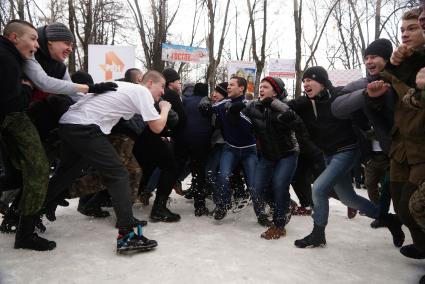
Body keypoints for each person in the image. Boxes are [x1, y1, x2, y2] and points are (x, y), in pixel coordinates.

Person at [43, 70, 170, 253]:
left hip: (70, 124)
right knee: (119, 174)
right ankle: (126, 236)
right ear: (149, 83)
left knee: (65, 176)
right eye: (162, 86)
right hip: (84, 127)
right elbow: (157, 127)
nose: (163, 92)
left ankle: (23, 221)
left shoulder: (127, 88)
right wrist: (165, 109)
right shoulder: (142, 91)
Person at [288, 66, 403, 249]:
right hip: (329, 153)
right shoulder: (305, 103)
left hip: (348, 149)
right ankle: (389, 219)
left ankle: (318, 234)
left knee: (318, 188)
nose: (306, 84)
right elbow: (286, 107)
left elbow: (362, 112)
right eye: (304, 81)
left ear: (323, 82)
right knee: (348, 199)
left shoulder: (338, 95)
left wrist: (370, 132)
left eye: (310, 80)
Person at [0, 20, 55, 251]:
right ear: (13, 37)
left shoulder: (13, 57)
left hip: (11, 120)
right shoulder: (7, 58)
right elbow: (11, 101)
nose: (36, 46)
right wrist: (26, 88)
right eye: (32, 39)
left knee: (20, 174)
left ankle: (20, 225)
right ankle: (25, 233)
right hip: (12, 117)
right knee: (38, 169)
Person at [331, 38, 397, 229]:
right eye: (366, 57)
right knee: (371, 184)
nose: (368, 61)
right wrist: (366, 94)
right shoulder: (361, 84)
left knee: (399, 194)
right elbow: (337, 106)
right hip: (373, 153)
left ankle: (396, 220)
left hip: (401, 150)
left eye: (374, 56)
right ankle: (382, 215)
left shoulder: (398, 80)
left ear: (386, 58)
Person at [242, 77, 300, 239]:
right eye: (260, 87)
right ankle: (284, 206)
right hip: (267, 155)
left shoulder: (285, 106)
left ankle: (279, 225)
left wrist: (275, 106)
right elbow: (240, 117)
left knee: (279, 185)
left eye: (265, 87)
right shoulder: (254, 106)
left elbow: (296, 122)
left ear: (275, 91)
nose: (261, 89)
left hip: (287, 153)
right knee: (257, 188)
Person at [212, 76, 259, 220]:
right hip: (230, 148)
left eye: (232, 85)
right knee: (223, 176)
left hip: (249, 150)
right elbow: (208, 109)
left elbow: (252, 127)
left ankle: (261, 212)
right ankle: (223, 205)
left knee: (253, 184)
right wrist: (205, 103)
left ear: (241, 88)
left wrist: (237, 114)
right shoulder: (223, 103)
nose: (228, 87)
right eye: (228, 85)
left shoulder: (249, 105)